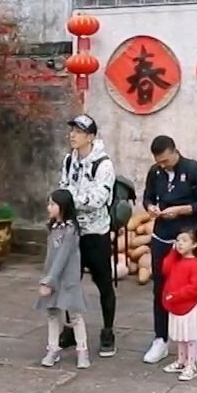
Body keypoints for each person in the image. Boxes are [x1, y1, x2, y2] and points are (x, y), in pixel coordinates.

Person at [140, 136, 197, 367]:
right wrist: (151, 207)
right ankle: (161, 338)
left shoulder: (194, 170)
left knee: (193, 289)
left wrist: (183, 210)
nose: (163, 165)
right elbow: (147, 196)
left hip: (186, 239)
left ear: (174, 151)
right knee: (160, 287)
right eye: (159, 162)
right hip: (161, 236)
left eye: (165, 160)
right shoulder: (156, 172)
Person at [57, 115, 119, 357]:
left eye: (79, 131)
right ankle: (70, 327)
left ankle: (108, 331)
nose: (73, 135)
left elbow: (98, 199)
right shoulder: (68, 161)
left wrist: (70, 201)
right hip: (72, 231)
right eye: (72, 130)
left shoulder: (103, 164)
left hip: (96, 233)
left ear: (91, 137)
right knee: (69, 283)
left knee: (104, 283)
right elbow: (62, 188)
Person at [37, 189, 90, 369]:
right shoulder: (53, 228)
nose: (49, 207)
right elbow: (50, 257)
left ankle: (82, 350)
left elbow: (63, 257)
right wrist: (46, 278)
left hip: (68, 279)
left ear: (63, 206)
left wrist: (49, 281)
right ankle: (53, 349)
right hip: (52, 276)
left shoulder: (71, 230)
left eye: (53, 204)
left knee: (75, 314)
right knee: (52, 313)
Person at [158, 231, 197, 381]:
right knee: (180, 336)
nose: (180, 243)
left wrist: (177, 295)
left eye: (184, 241)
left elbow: (196, 287)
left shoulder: (194, 264)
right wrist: (173, 252)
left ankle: (191, 364)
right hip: (175, 306)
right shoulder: (176, 260)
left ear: (194, 244)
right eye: (178, 240)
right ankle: (181, 360)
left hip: (188, 306)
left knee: (190, 337)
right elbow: (165, 268)